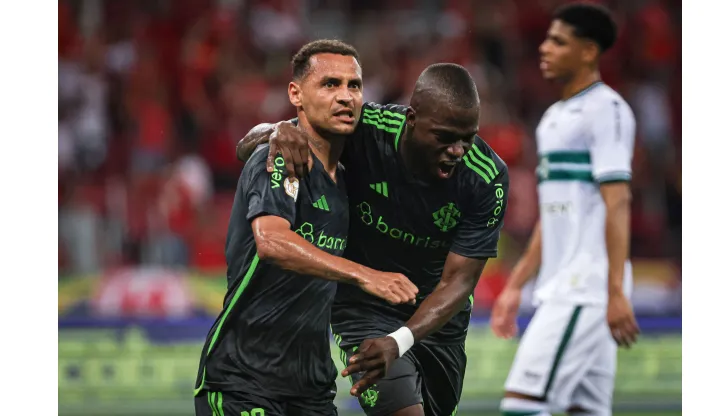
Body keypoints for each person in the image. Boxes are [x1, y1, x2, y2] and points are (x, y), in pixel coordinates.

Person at [237, 60, 509, 416]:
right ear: (412, 120)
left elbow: (459, 282)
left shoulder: (486, 177)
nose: (457, 150)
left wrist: (399, 340)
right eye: (444, 137)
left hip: (437, 319)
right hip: (362, 306)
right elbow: (246, 146)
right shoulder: (366, 130)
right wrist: (275, 131)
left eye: (467, 138)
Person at [193, 40, 418, 416]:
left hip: (311, 388)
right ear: (296, 94)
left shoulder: (352, 179)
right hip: (243, 381)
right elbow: (272, 241)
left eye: (354, 86)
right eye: (330, 84)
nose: (346, 96)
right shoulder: (280, 157)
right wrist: (365, 275)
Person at [489, 4, 640, 416]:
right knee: (583, 411)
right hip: (567, 285)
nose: (544, 47)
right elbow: (553, 216)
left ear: (589, 51)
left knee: (520, 403)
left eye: (558, 41)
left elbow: (618, 201)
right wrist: (516, 284)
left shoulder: (607, 111)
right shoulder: (553, 118)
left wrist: (613, 292)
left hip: (585, 289)